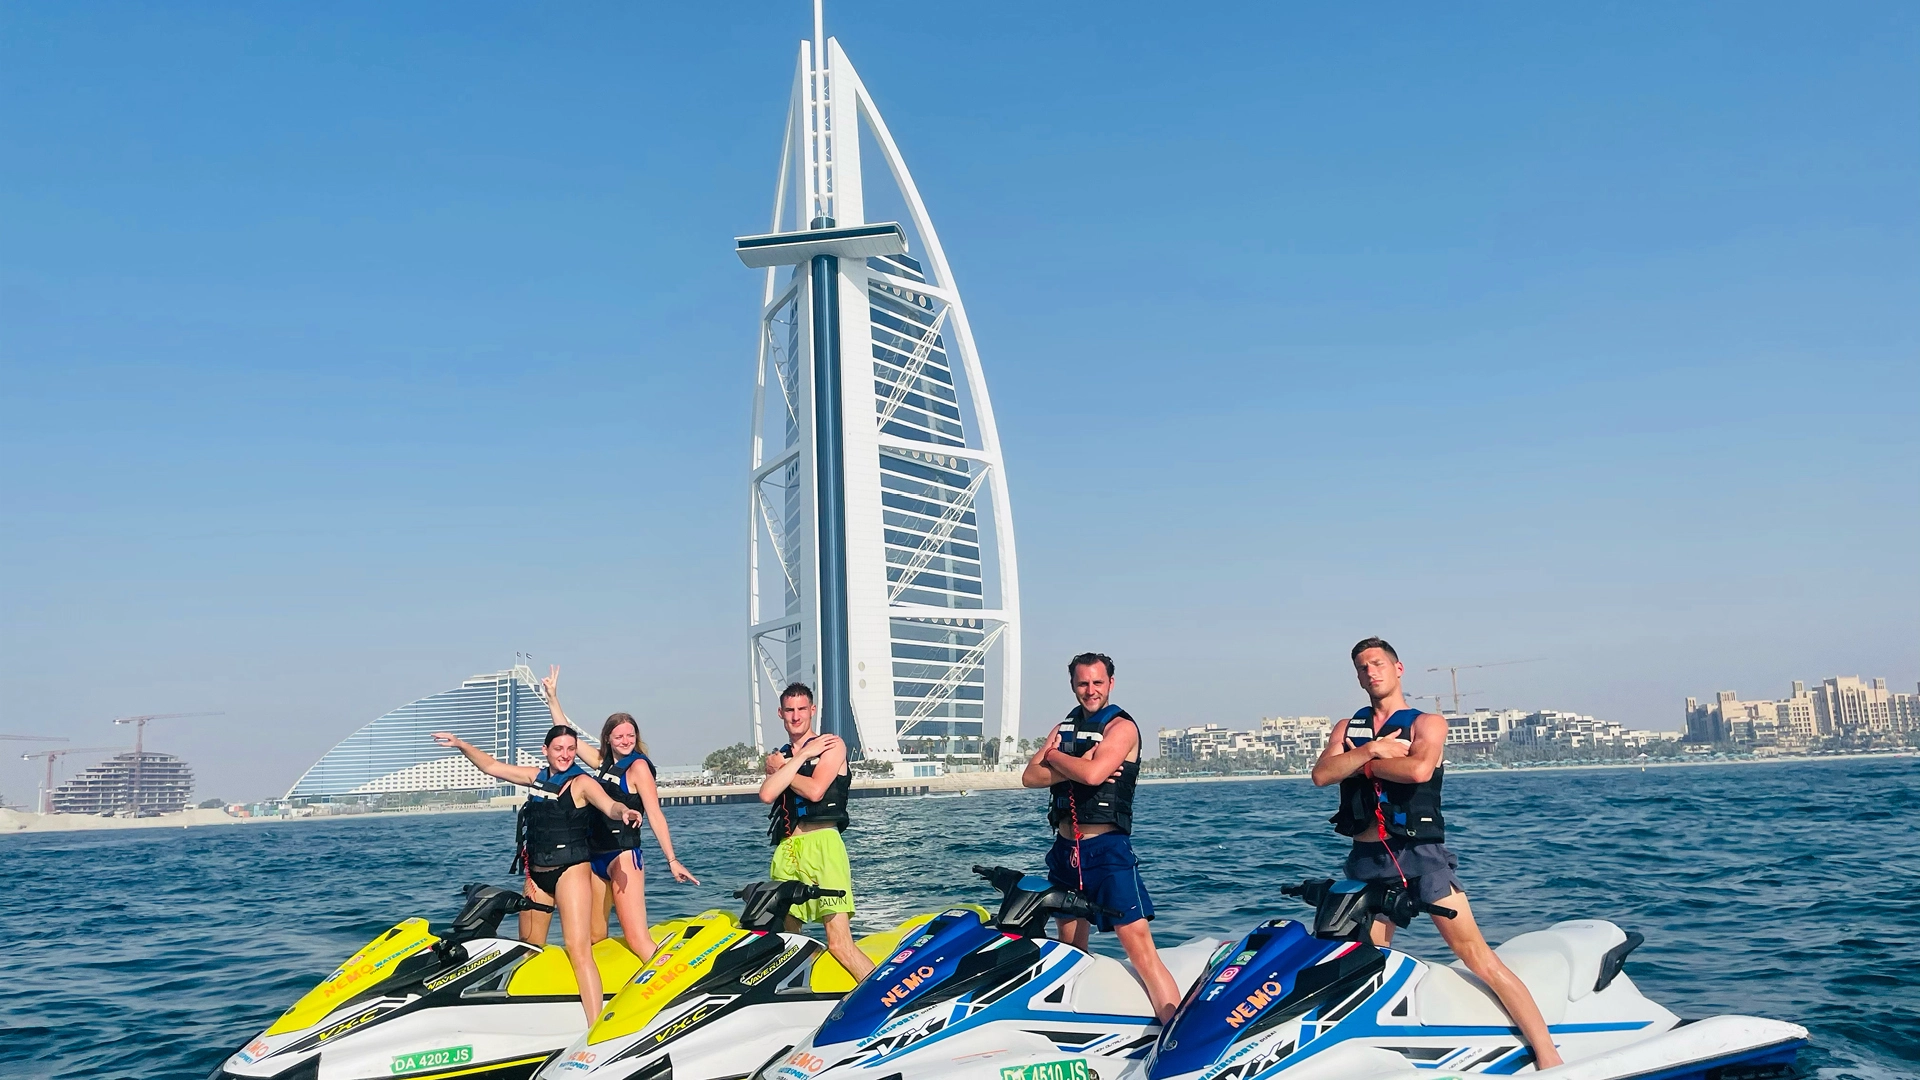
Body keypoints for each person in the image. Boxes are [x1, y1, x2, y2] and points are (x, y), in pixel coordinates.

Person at [1310, 637, 1566, 1070]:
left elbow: (1418, 769)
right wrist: (1372, 750)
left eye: (1377, 664)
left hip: (1419, 856)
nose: (1370, 672)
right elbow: (1320, 775)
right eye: (1362, 667)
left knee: (1479, 957)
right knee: (1367, 967)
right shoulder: (1347, 729)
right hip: (1365, 861)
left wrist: (1358, 763)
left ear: (1398, 668)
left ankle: (1549, 1054)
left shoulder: (1428, 723)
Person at [432, 724, 642, 1025]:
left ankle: (596, 1026)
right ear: (546, 751)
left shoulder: (581, 782)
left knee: (579, 950)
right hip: (536, 876)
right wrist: (460, 743)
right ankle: (533, 1018)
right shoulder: (536, 777)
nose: (566, 755)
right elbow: (492, 766)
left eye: (571, 749)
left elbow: (608, 804)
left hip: (571, 871)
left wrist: (623, 812)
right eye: (559, 749)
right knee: (529, 948)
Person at [1021, 652, 1180, 1022]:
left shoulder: (1121, 728)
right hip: (1064, 853)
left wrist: (1056, 759)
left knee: (1140, 949)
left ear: (1110, 683)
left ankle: (1175, 1028)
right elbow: (1030, 776)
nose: (1090, 690)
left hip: (1106, 853)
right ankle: (1071, 1023)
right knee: (1069, 947)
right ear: (1073, 685)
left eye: (1097, 682)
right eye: (1082, 683)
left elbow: (1094, 776)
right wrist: (1073, 762)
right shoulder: (1065, 727)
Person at [541, 667, 698, 960]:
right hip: (595, 857)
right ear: (608, 739)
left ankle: (669, 981)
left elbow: (656, 815)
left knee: (637, 937)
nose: (625, 740)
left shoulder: (638, 768)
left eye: (630, 735)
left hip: (623, 856)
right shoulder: (601, 762)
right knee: (594, 937)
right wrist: (552, 698)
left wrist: (672, 860)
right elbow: (567, 735)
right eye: (619, 736)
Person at [758, 682, 872, 980]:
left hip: (823, 846)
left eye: (801, 710)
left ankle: (890, 1002)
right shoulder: (780, 757)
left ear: (812, 710)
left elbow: (816, 790)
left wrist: (784, 770)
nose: (796, 717)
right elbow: (768, 794)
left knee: (839, 944)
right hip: (787, 850)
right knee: (787, 939)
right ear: (780, 714)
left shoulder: (832, 746)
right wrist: (791, 762)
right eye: (789, 710)